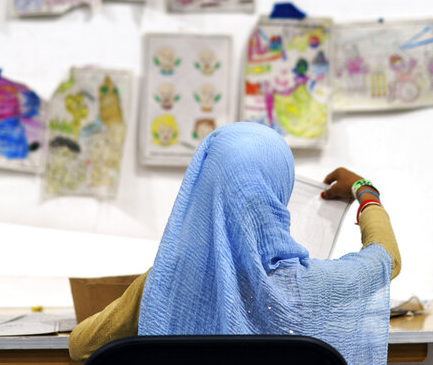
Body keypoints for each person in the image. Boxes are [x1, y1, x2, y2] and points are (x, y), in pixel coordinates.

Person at [68, 122, 400, 364]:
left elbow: (81, 346)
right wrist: (364, 190)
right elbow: (386, 259)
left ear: (202, 186)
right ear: (278, 192)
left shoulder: (165, 285)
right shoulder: (311, 288)